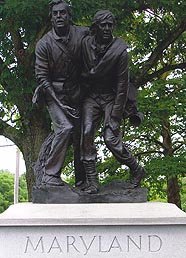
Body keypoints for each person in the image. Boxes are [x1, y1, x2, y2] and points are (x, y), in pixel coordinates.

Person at [81, 10, 146, 194]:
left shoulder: (120, 52)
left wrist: (116, 116)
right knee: (86, 133)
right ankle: (92, 181)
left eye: (110, 25)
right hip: (91, 97)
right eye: (104, 25)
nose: (108, 28)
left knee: (110, 139)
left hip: (112, 97)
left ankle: (136, 169)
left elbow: (122, 87)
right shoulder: (85, 44)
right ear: (96, 27)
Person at [34, 0, 88, 186]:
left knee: (84, 134)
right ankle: (49, 175)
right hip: (54, 93)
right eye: (55, 13)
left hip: (79, 92)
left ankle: (84, 180)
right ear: (51, 17)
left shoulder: (82, 33)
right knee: (65, 128)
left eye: (62, 13)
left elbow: (101, 45)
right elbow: (42, 78)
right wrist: (60, 104)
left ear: (69, 15)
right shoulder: (44, 44)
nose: (59, 16)